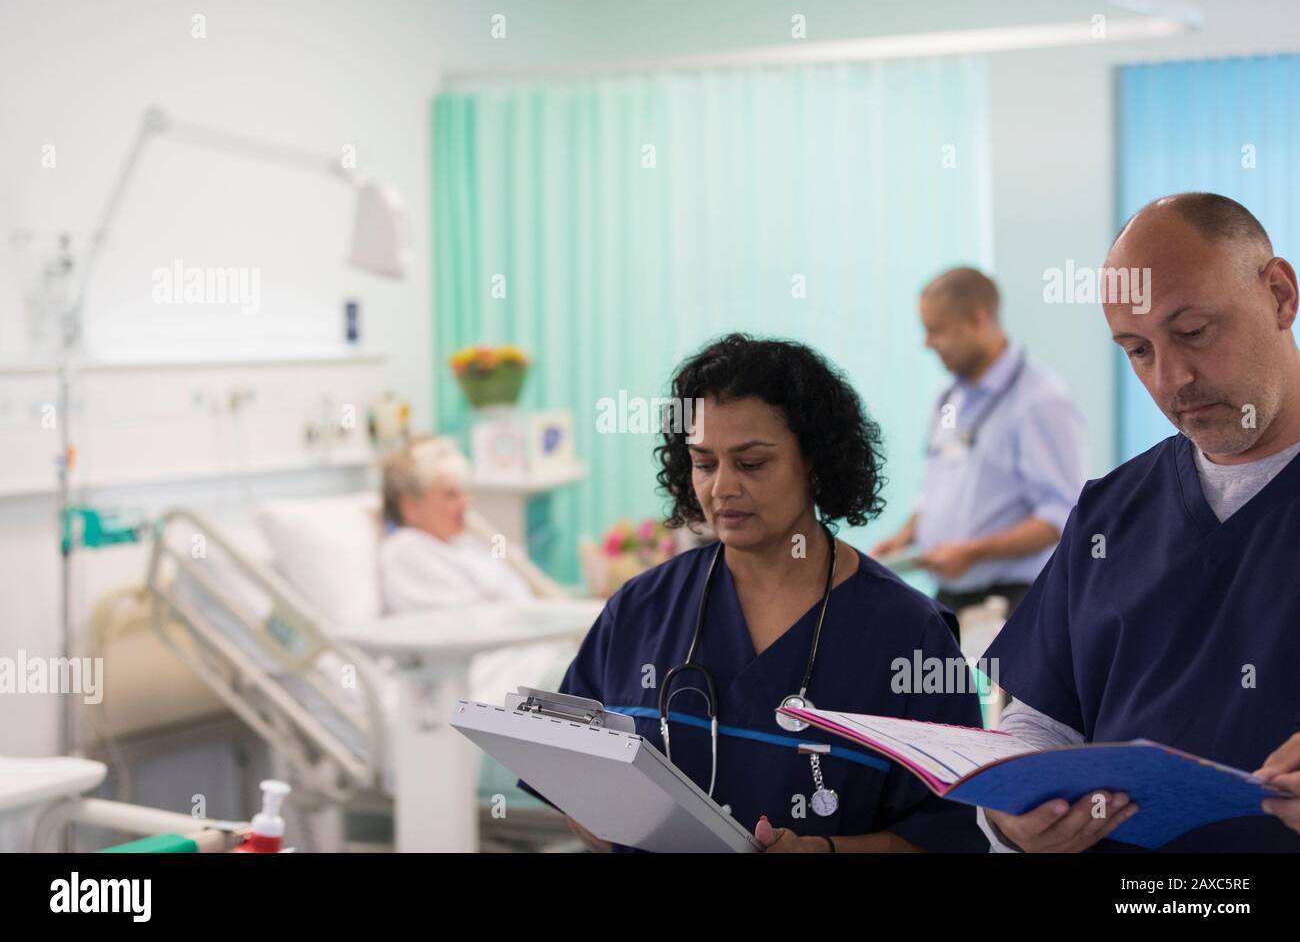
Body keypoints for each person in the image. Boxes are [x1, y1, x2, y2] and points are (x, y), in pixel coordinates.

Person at [520, 334, 988, 852]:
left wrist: (823, 851)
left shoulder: (909, 635)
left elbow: (948, 835)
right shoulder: (640, 609)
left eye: (752, 463)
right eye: (704, 463)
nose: (721, 487)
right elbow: (571, 767)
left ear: (815, 462)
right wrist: (598, 820)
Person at [979, 193, 1300, 852]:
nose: (1171, 378)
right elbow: (1042, 718)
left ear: (1279, 294)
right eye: (1137, 349)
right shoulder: (1110, 513)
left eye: (1192, 331)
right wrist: (1008, 810)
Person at [872, 267, 1087, 622]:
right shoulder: (949, 396)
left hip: (1013, 603)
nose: (926, 343)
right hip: (951, 599)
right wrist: (904, 538)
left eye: (935, 330)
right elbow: (936, 489)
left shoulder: (1040, 401)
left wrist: (974, 552)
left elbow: (1062, 515)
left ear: (977, 320)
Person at [378, 436, 532, 613]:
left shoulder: (462, 544)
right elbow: (467, 624)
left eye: (463, 492)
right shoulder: (405, 551)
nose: (465, 503)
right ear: (410, 507)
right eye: (451, 495)